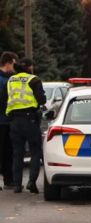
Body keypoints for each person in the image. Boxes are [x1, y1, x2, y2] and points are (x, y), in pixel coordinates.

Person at [6, 58, 46, 193]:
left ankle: (17, 184)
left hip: (14, 121)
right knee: (35, 151)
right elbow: (42, 100)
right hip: (30, 120)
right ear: (29, 67)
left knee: (17, 153)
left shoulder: (11, 80)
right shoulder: (34, 80)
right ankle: (31, 182)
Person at [0, 52, 18, 191]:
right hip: (1, 120)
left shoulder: (11, 79)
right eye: (13, 63)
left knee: (9, 151)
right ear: (8, 63)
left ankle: (9, 179)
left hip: (9, 120)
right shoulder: (2, 79)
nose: (14, 66)